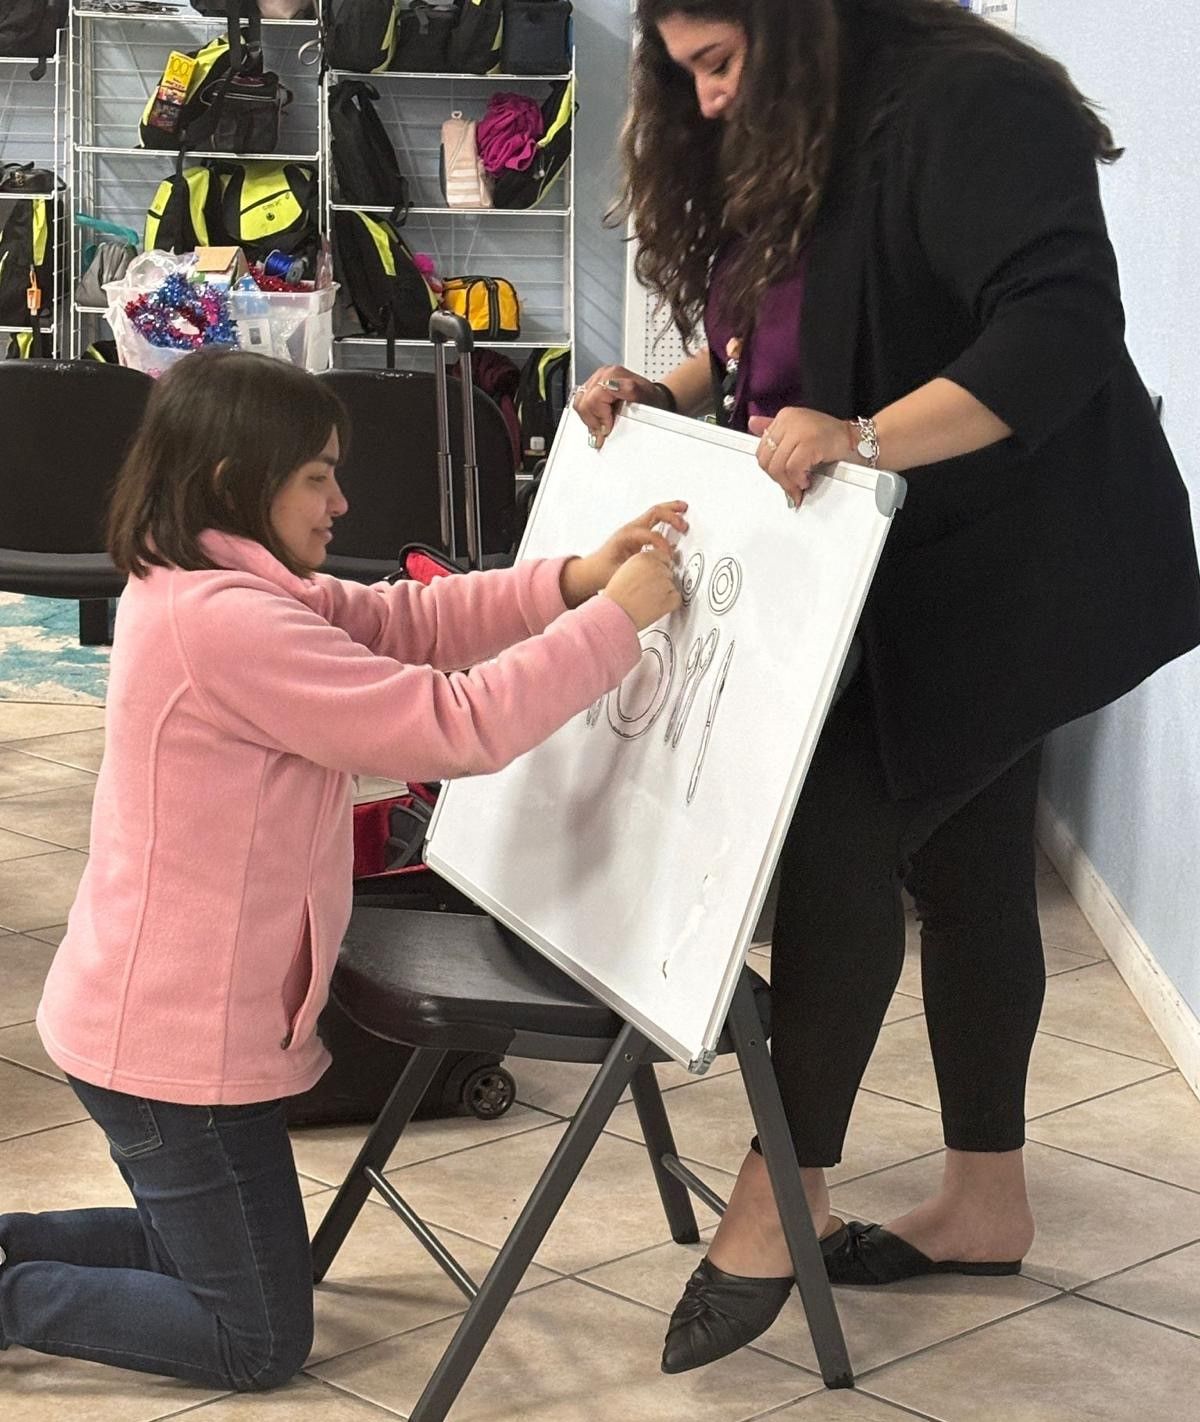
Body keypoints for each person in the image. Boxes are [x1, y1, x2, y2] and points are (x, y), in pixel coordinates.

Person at [574, 0, 1200, 1375]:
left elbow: (1062, 328)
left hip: (1029, 558)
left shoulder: (970, 104)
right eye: (687, 78)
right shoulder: (805, 118)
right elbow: (785, 337)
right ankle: (986, 1200)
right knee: (975, 857)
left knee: (842, 823)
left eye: (724, 65)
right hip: (912, 557)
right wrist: (666, 385)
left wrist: (862, 435)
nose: (713, 104)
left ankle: (782, 1185)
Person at [0, 348, 684, 1390]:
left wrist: (574, 581)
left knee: (227, 1265)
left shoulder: (217, 577)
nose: (341, 500)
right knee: (256, 1337)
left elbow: (403, 622)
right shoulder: (227, 623)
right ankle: (12, 1299)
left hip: (169, 1023)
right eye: (318, 475)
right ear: (237, 482)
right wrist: (611, 623)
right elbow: (454, 723)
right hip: (169, 1043)